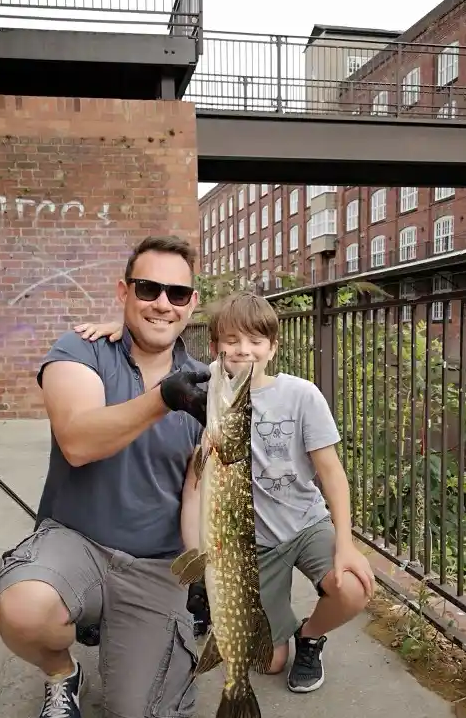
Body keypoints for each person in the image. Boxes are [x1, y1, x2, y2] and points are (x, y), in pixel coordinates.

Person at [74, 291, 376, 695]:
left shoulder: (302, 395)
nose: (244, 350)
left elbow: (333, 474)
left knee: (353, 587)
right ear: (215, 348)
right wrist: (125, 333)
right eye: (232, 341)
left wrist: (346, 544)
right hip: (250, 548)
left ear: (273, 347)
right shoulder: (205, 389)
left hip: (306, 524)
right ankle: (262, 628)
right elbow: (194, 483)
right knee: (269, 663)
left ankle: (311, 635)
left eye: (255, 341)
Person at [0, 235, 213, 718]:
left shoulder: (209, 386)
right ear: (123, 291)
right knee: (25, 608)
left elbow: (216, 482)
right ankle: (61, 672)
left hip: (157, 565)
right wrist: (163, 398)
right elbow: (79, 441)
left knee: (137, 710)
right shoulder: (82, 349)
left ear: (193, 303)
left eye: (177, 294)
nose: (162, 304)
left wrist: (205, 568)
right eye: (148, 289)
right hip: (77, 541)